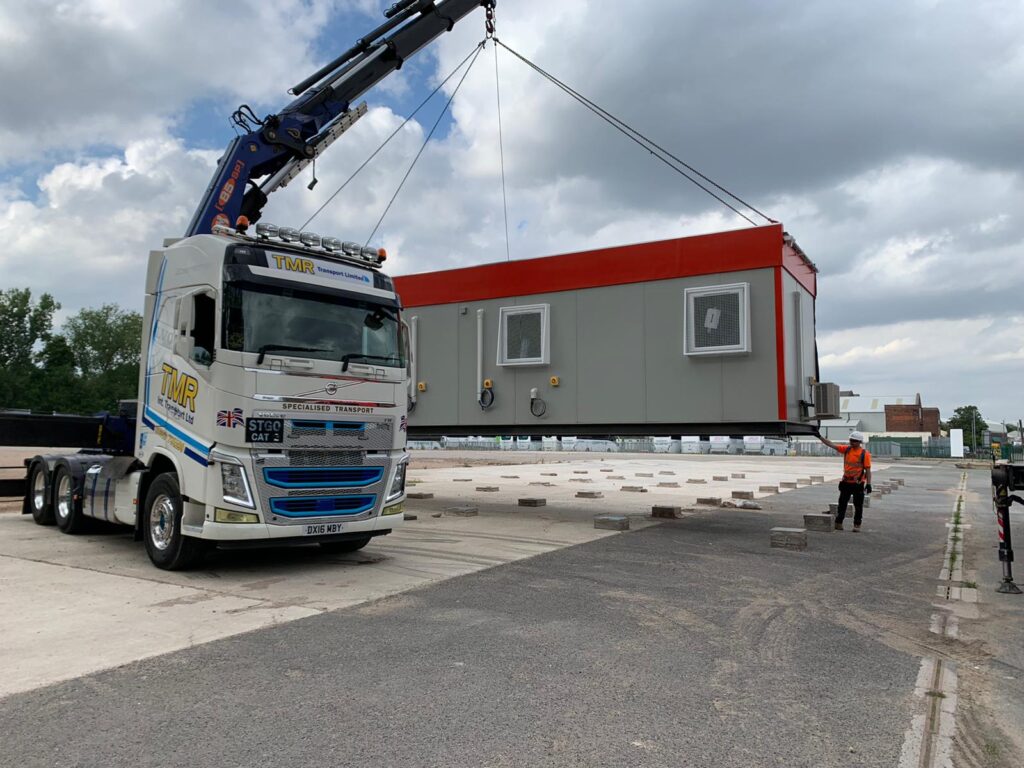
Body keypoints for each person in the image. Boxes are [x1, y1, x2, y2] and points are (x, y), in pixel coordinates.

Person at [814, 429, 872, 531]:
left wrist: (869, 484)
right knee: (842, 504)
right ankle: (838, 523)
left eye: (854, 441)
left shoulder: (864, 454)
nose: (852, 442)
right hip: (846, 483)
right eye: (851, 440)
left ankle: (857, 525)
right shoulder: (847, 450)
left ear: (859, 442)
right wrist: (819, 437)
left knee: (858, 506)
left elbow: (868, 469)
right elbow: (831, 445)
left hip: (858, 483)